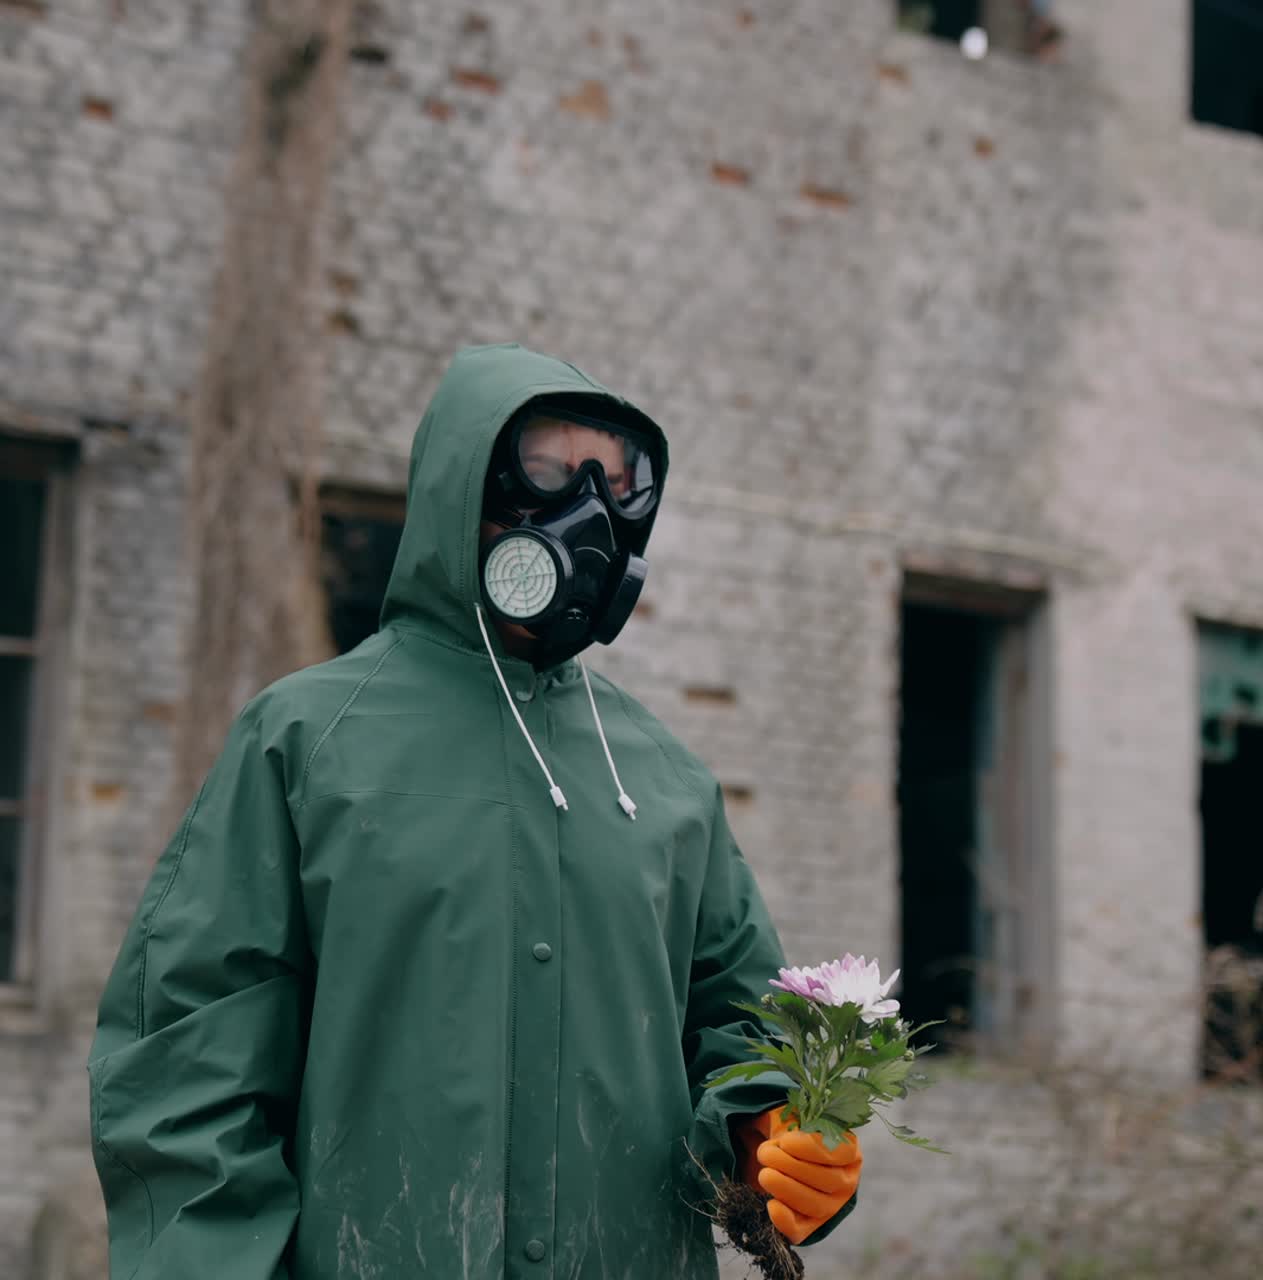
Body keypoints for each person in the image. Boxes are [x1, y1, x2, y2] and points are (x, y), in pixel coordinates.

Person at [88, 343, 862, 1278]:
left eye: (614, 482)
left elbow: (748, 1023)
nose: (588, 511)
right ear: (466, 484)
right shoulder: (306, 741)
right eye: (547, 468)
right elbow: (187, 1067)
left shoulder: (664, 778)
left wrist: (781, 1126)